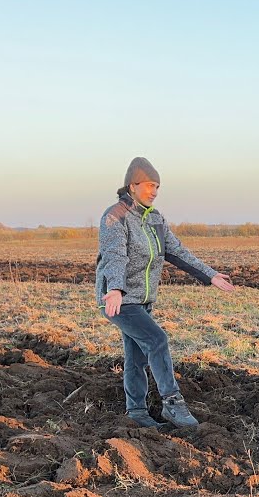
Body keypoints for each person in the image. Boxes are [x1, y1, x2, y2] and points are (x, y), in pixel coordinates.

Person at [96, 157, 235, 431]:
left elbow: (177, 251)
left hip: (142, 300)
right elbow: (114, 256)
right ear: (132, 185)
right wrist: (115, 288)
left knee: (136, 357)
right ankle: (173, 403)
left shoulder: (155, 219)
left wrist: (210, 275)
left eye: (157, 186)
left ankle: (137, 412)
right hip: (118, 300)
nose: (155, 191)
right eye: (150, 185)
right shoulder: (115, 216)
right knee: (157, 339)